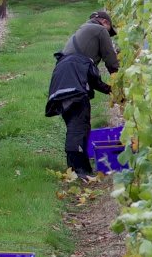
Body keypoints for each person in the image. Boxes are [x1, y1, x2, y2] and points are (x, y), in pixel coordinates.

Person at [47, 39, 113, 176]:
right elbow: (95, 81)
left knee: (73, 128)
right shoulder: (85, 60)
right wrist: (112, 91)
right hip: (75, 95)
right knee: (79, 129)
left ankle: (76, 167)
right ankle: (79, 169)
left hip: (58, 97)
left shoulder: (66, 60)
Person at [64, 10, 120, 77]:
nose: (108, 35)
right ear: (105, 22)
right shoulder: (101, 30)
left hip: (61, 71)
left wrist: (104, 87)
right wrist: (118, 80)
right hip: (77, 73)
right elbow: (111, 62)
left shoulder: (81, 30)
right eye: (109, 32)